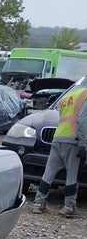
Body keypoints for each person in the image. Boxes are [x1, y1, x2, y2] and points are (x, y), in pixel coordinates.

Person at [31, 82, 87, 218]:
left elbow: (63, 117)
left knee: (49, 172)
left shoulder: (69, 95)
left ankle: (38, 204)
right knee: (72, 174)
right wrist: (83, 143)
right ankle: (69, 206)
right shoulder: (85, 96)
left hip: (58, 137)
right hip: (72, 140)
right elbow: (82, 121)